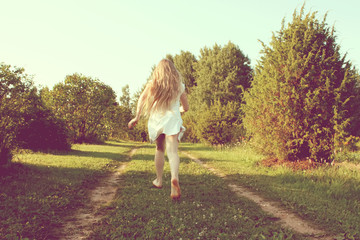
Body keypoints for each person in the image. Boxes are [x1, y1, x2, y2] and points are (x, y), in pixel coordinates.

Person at [128, 59, 189, 200]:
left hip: (157, 120)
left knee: (159, 149)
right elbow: (186, 107)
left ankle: (159, 180)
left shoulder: (153, 84)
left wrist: (136, 117)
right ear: (173, 71)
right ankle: (174, 179)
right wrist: (179, 110)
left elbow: (141, 100)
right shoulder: (179, 86)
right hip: (172, 121)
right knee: (173, 152)